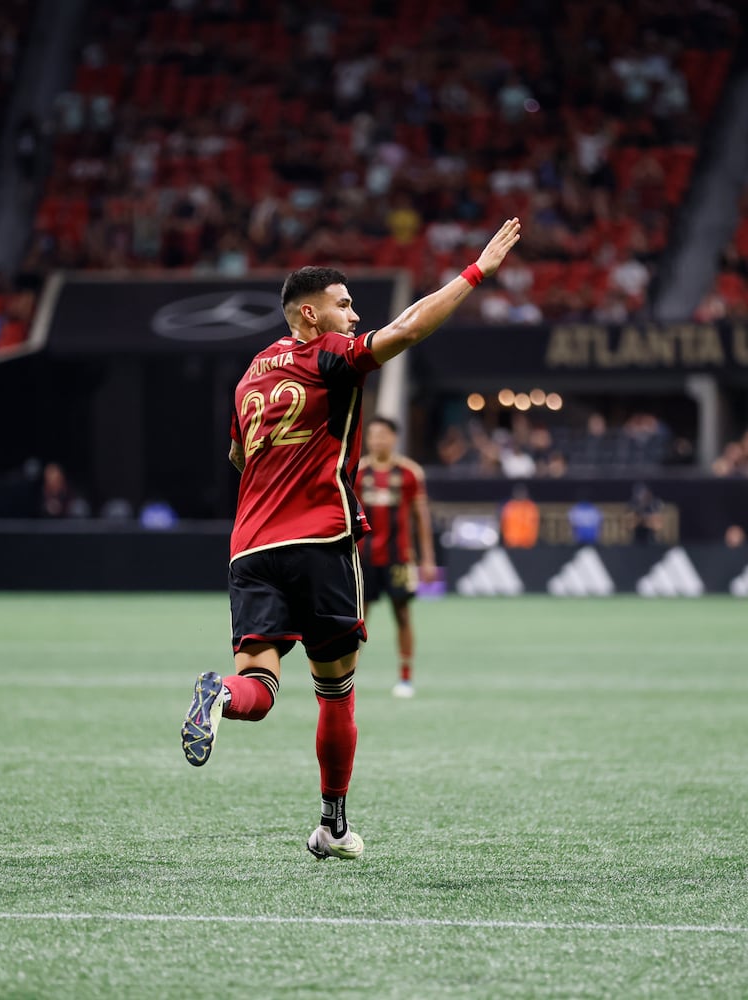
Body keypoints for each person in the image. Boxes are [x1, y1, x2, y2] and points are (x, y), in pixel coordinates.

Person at [180, 219, 523, 861]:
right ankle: (333, 827)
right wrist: (475, 273)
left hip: (249, 548)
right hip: (321, 538)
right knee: (335, 688)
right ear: (309, 315)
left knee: (257, 685)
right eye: (343, 304)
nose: (354, 314)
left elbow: (237, 454)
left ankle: (219, 694)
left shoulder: (251, 374)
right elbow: (410, 328)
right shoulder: (326, 357)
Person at [356, 416, 434, 699]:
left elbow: (421, 517)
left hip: (399, 558)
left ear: (394, 439)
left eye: (383, 435)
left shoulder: (410, 473)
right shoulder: (357, 471)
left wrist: (427, 558)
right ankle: (347, 678)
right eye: (373, 435)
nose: (377, 440)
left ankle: (405, 677)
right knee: (357, 618)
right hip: (362, 559)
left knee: (402, 614)